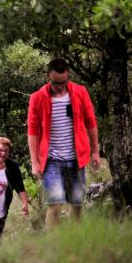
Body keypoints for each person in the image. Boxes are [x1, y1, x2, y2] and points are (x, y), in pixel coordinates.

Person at [27, 58, 100, 227]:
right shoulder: (37, 98)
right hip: (52, 160)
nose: (59, 86)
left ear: (68, 77)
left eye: (63, 82)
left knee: (77, 203)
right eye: (55, 82)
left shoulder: (80, 92)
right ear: (48, 77)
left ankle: (75, 241)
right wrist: (34, 162)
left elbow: (91, 123)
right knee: (55, 203)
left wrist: (95, 151)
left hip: (77, 158)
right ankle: (54, 245)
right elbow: (32, 131)